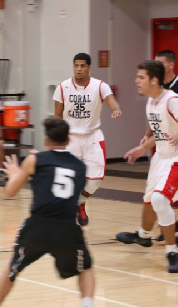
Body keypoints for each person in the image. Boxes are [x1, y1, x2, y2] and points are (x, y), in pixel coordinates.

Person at [0, 118, 94, 307]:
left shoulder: (34, 160)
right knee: (85, 267)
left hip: (38, 227)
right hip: (66, 228)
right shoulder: (80, 167)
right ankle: (87, 303)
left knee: (13, 268)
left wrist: (14, 173)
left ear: (46, 140)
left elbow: (11, 191)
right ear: (68, 139)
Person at [116, 60, 178, 273]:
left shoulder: (172, 100)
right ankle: (144, 236)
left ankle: (172, 251)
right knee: (150, 199)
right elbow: (161, 134)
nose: (136, 81)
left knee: (161, 200)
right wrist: (142, 148)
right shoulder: (151, 102)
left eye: (141, 77)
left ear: (154, 80)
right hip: (162, 156)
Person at [53, 53, 123, 226]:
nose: (79, 69)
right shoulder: (63, 87)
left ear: (89, 67)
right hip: (70, 138)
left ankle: (81, 203)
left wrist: (116, 109)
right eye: (76, 65)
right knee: (67, 178)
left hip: (92, 137)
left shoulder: (100, 86)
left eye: (82, 65)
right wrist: (56, 139)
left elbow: (111, 101)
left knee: (94, 181)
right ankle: (63, 214)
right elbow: (57, 115)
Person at [141, 50, 178, 246]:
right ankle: (169, 225)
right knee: (159, 190)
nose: (157, 65)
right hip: (167, 142)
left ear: (170, 65)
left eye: (160, 62)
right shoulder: (157, 90)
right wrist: (148, 135)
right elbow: (157, 118)